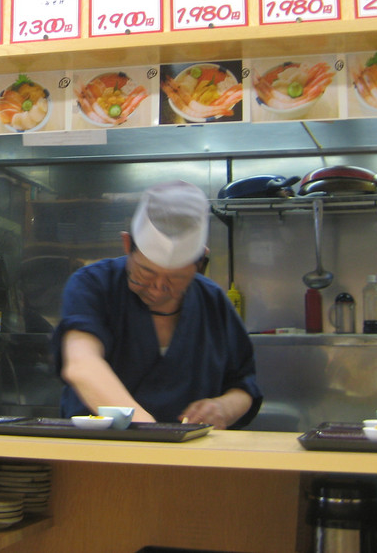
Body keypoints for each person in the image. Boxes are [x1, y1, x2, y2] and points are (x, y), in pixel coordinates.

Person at [52, 180, 261, 428]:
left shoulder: (213, 301)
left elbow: (243, 387)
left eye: (176, 279)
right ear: (127, 245)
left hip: (190, 455)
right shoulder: (94, 284)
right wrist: (149, 431)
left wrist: (223, 408)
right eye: (145, 273)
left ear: (201, 263)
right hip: (100, 451)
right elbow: (82, 364)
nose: (158, 288)